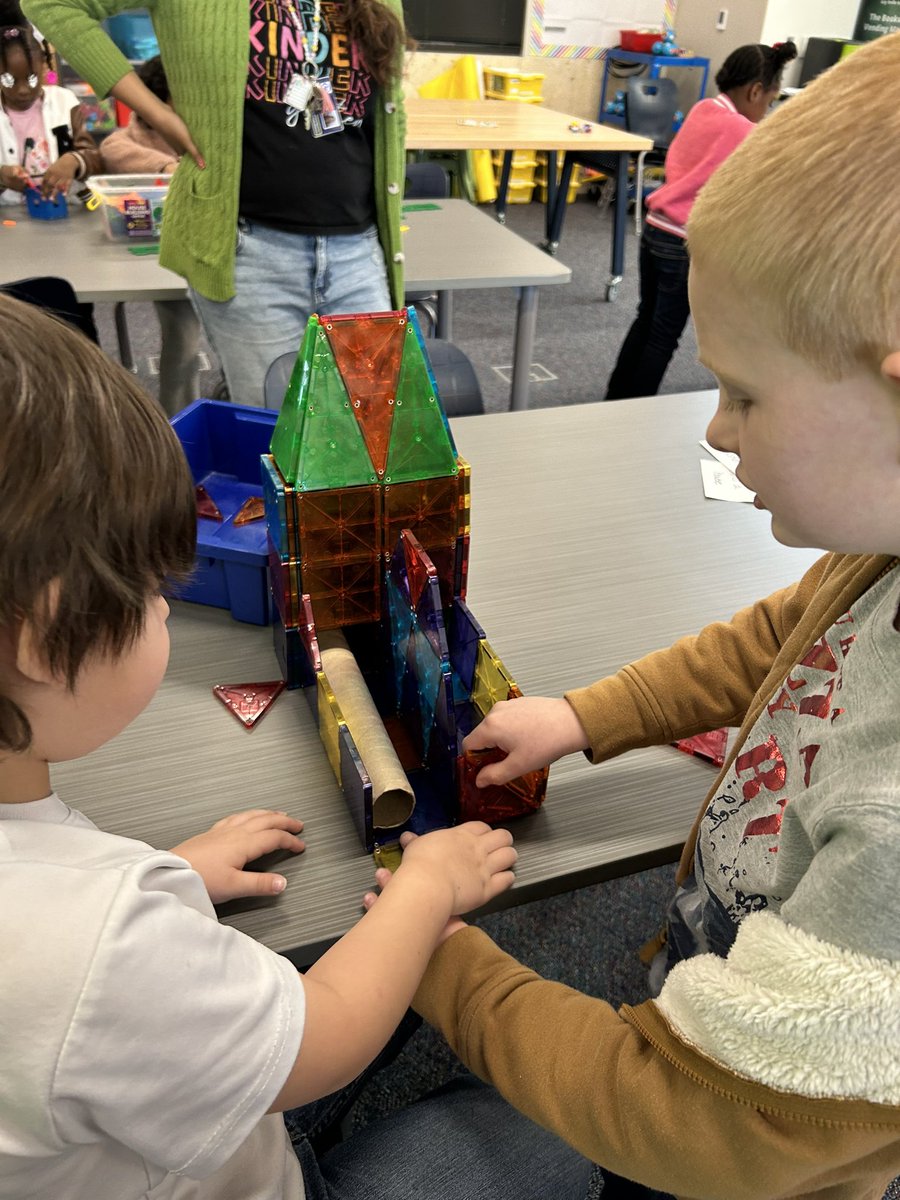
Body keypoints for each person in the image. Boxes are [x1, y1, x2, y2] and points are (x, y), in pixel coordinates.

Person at [369, 32, 900, 1200]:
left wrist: (447, 963)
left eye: (746, 391)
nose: (716, 429)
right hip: (729, 1003)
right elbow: (780, 644)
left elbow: (693, 1122)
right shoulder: (879, 557)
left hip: (737, 1140)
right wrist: (580, 716)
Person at [0, 292, 592, 1199]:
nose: (166, 604)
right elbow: (322, 1035)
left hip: (129, 1111)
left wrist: (170, 880)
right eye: (153, 588)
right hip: (244, 1173)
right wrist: (428, 884)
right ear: (45, 640)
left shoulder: (66, 916)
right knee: (554, 1125)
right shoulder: (97, 950)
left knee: (382, 955)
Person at [25, 0, 409, 408]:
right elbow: (50, 4)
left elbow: (386, 109)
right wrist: (158, 113)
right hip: (250, 252)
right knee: (278, 432)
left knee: (374, 426)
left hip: (359, 249)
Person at [604, 40, 796, 401]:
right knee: (664, 336)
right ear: (755, 91)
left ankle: (614, 398)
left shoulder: (703, 109)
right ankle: (632, 409)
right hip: (684, 242)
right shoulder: (743, 131)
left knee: (645, 320)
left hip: (656, 229)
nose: (766, 112)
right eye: (769, 103)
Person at [100, 54, 202, 416]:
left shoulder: (204, 125)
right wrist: (167, 166)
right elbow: (112, 148)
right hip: (167, 258)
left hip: (217, 248)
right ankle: (177, 420)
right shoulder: (140, 134)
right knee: (184, 345)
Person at [0, 15, 101, 203]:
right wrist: (2, 176)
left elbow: (94, 157)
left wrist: (74, 161)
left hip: (67, 208)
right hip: (12, 215)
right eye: (8, 80)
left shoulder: (65, 101)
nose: (23, 90)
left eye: (32, 78)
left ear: (44, 67)